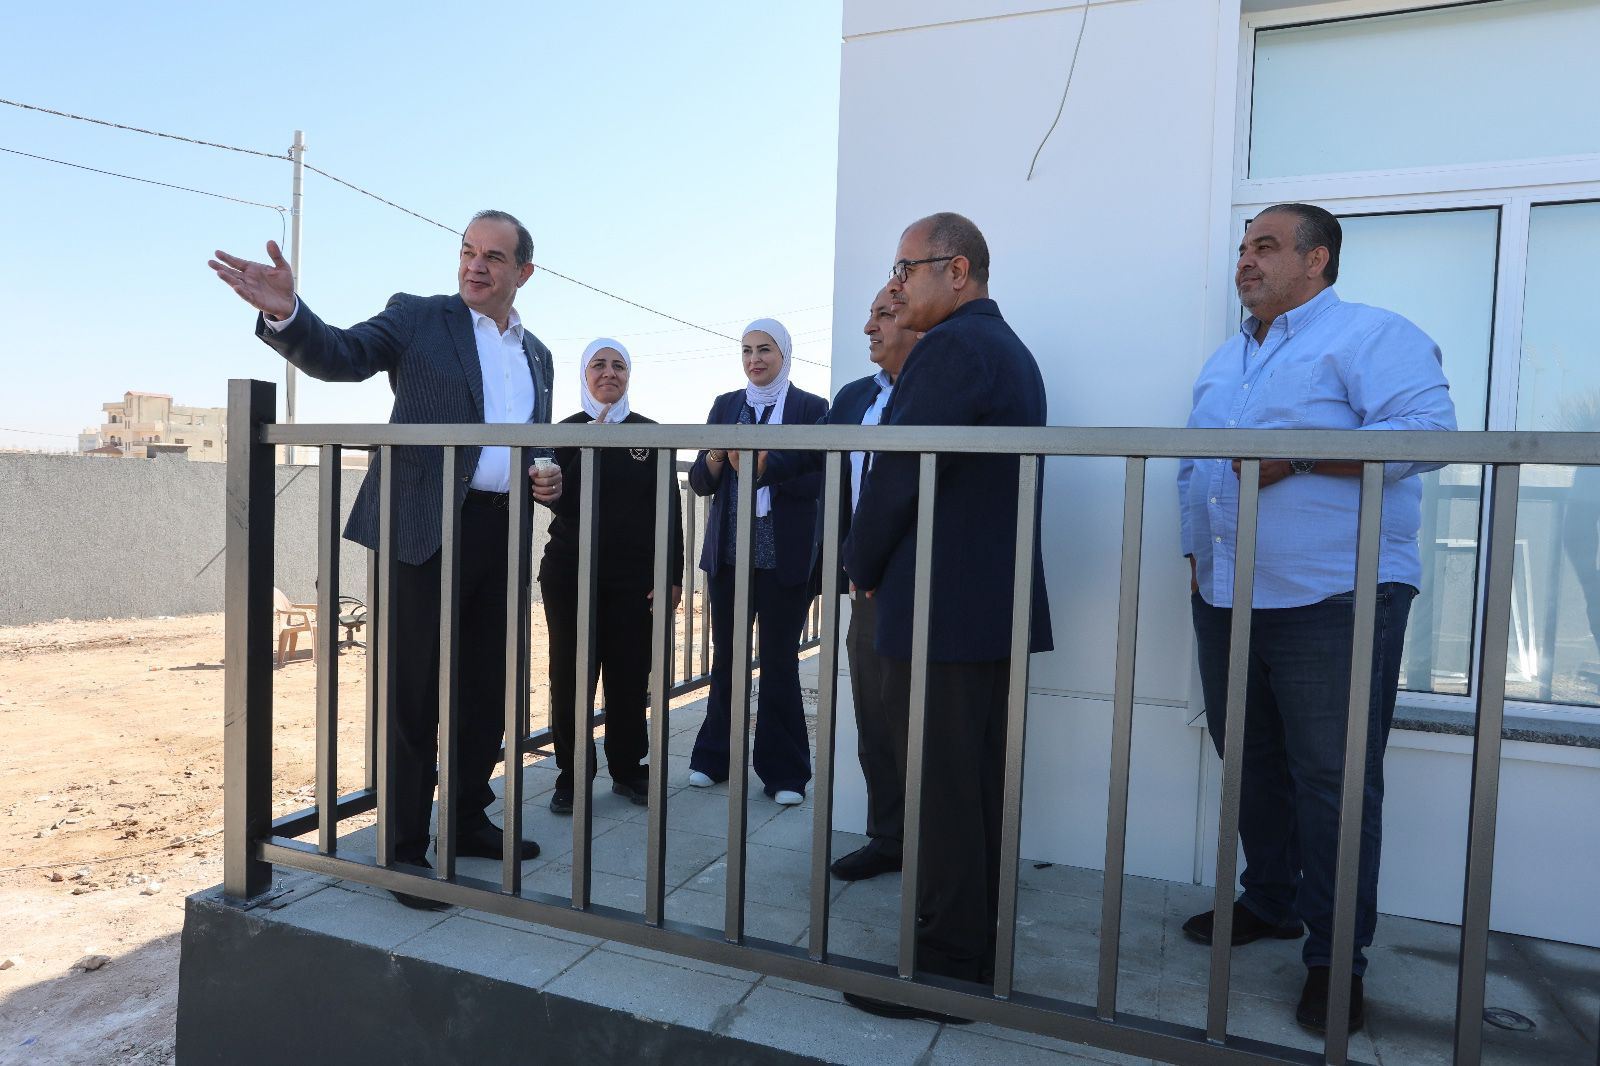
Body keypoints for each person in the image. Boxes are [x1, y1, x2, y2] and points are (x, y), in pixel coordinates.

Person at [208, 210, 558, 911]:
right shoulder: (418, 318)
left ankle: (467, 818)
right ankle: (403, 852)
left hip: (500, 533)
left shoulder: (538, 353)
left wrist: (543, 474)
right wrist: (288, 315)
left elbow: (528, 440)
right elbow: (342, 355)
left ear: (523, 272)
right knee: (413, 694)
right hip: (424, 529)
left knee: (484, 688)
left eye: (493, 256)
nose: (475, 265)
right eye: (468, 251)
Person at [1177, 203, 1456, 1034]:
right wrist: (1195, 555)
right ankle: (1271, 899)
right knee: (1249, 760)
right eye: (1242, 247)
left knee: (1333, 783)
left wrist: (1299, 454)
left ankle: (1336, 963)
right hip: (1228, 595)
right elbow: (1197, 466)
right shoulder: (1226, 360)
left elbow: (1429, 437)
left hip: (1336, 597)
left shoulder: (1372, 335)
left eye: (1265, 245)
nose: (1245, 260)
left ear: (1317, 259)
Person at [843, 213, 1053, 1019]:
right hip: (977, 609)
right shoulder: (1003, 347)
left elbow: (896, 473)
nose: (896, 286)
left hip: (942, 610)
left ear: (956, 270)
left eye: (907, 269)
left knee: (944, 795)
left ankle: (946, 969)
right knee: (968, 790)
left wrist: (859, 565)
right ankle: (969, 951)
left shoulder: (954, 349)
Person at [766, 288, 921, 881]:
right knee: (874, 715)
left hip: (917, 582)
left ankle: (935, 848)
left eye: (884, 315)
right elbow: (811, 451)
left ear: (918, 320)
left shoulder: (933, 390)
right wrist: (759, 457)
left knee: (922, 723)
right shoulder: (856, 396)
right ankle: (890, 837)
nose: (869, 328)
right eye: (871, 315)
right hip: (866, 586)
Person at [686, 320, 828, 805]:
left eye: (764, 350)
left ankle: (785, 773)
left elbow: (819, 478)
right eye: (747, 351)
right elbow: (701, 481)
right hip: (729, 556)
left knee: (779, 662)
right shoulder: (727, 405)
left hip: (782, 555)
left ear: (784, 354)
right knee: (726, 658)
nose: (755, 359)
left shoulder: (811, 408)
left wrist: (768, 469)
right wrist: (719, 455)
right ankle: (714, 758)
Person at [540, 339, 683, 815]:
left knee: (629, 676)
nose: (609, 373)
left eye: (618, 365)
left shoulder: (649, 433)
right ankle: (572, 774)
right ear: (584, 375)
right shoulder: (564, 433)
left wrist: (672, 574)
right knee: (571, 677)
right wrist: (590, 443)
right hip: (570, 575)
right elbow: (559, 500)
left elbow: (669, 509)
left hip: (634, 581)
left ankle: (628, 768)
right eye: (598, 365)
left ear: (628, 375)